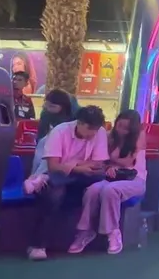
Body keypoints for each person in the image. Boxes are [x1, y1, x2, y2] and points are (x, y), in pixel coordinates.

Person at [24, 106, 110, 261]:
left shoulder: (100, 132)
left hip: (81, 174)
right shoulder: (59, 132)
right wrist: (78, 167)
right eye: (90, 129)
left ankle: (43, 181)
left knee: (100, 176)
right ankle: (37, 245)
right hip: (55, 173)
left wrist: (74, 165)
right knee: (54, 193)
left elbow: (98, 163)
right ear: (79, 123)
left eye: (96, 130)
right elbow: (53, 166)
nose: (93, 134)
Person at [70, 110, 148, 255]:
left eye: (126, 128)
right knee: (93, 190)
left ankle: (113, 232)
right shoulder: (107, 136)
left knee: (110, 190)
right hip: (111, 177)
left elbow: (127, 162)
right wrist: (108, 166)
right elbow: (100, 161)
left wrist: (112, 158)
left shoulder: (139, 136)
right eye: (119, 126)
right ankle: (85, 231)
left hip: (135, 179)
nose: (121, 130)